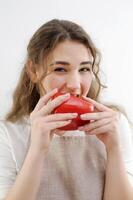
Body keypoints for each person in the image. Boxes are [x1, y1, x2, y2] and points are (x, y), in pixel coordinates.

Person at [0, 19, 133, 200]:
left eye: (84, 69)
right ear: (33, 71)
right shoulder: (8, 133)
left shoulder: (114, 125)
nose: (75, 84)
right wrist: (37, 150)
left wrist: (114, 148)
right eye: (61, 69)